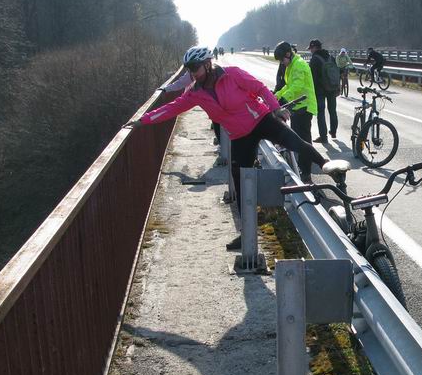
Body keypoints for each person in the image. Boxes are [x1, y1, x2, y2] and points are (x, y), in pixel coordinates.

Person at [126, 46, 336, 248]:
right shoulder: (195, 93)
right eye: (189, 69)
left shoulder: (232, 74)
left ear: (208, 64)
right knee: (240, 182)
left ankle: (329, 167)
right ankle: (247, 235)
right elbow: (172, 108)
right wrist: (143, 121)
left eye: (195, 68)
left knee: (296, 143)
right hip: (240, 136)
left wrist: (276, 109)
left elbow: (260, 88)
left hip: (262, 120)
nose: (192, 74)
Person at [273, 41, 319, 182]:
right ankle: (301, 168)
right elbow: (289, 85)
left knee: (304, 141)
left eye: (282, 59)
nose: (282, 63)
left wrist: (283, 99)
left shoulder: (298, 64)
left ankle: (306, 173)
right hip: (298, 107)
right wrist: (275, 96)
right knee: (297, 139)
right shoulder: (291, 65)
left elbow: (297, 86)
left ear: (288, 54)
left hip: (304, 107)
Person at [308, 39, 338, 142]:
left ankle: (323, 137)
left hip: (320, 90)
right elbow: (336, 74)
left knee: (321, 113)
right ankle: (333, 131)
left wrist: (312, 91)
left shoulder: (315, 59)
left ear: (314, 47)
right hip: (332, 88)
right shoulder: (331, 57)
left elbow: (312, 77)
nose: (310, 51)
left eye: (311, 48)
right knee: (332, 111)